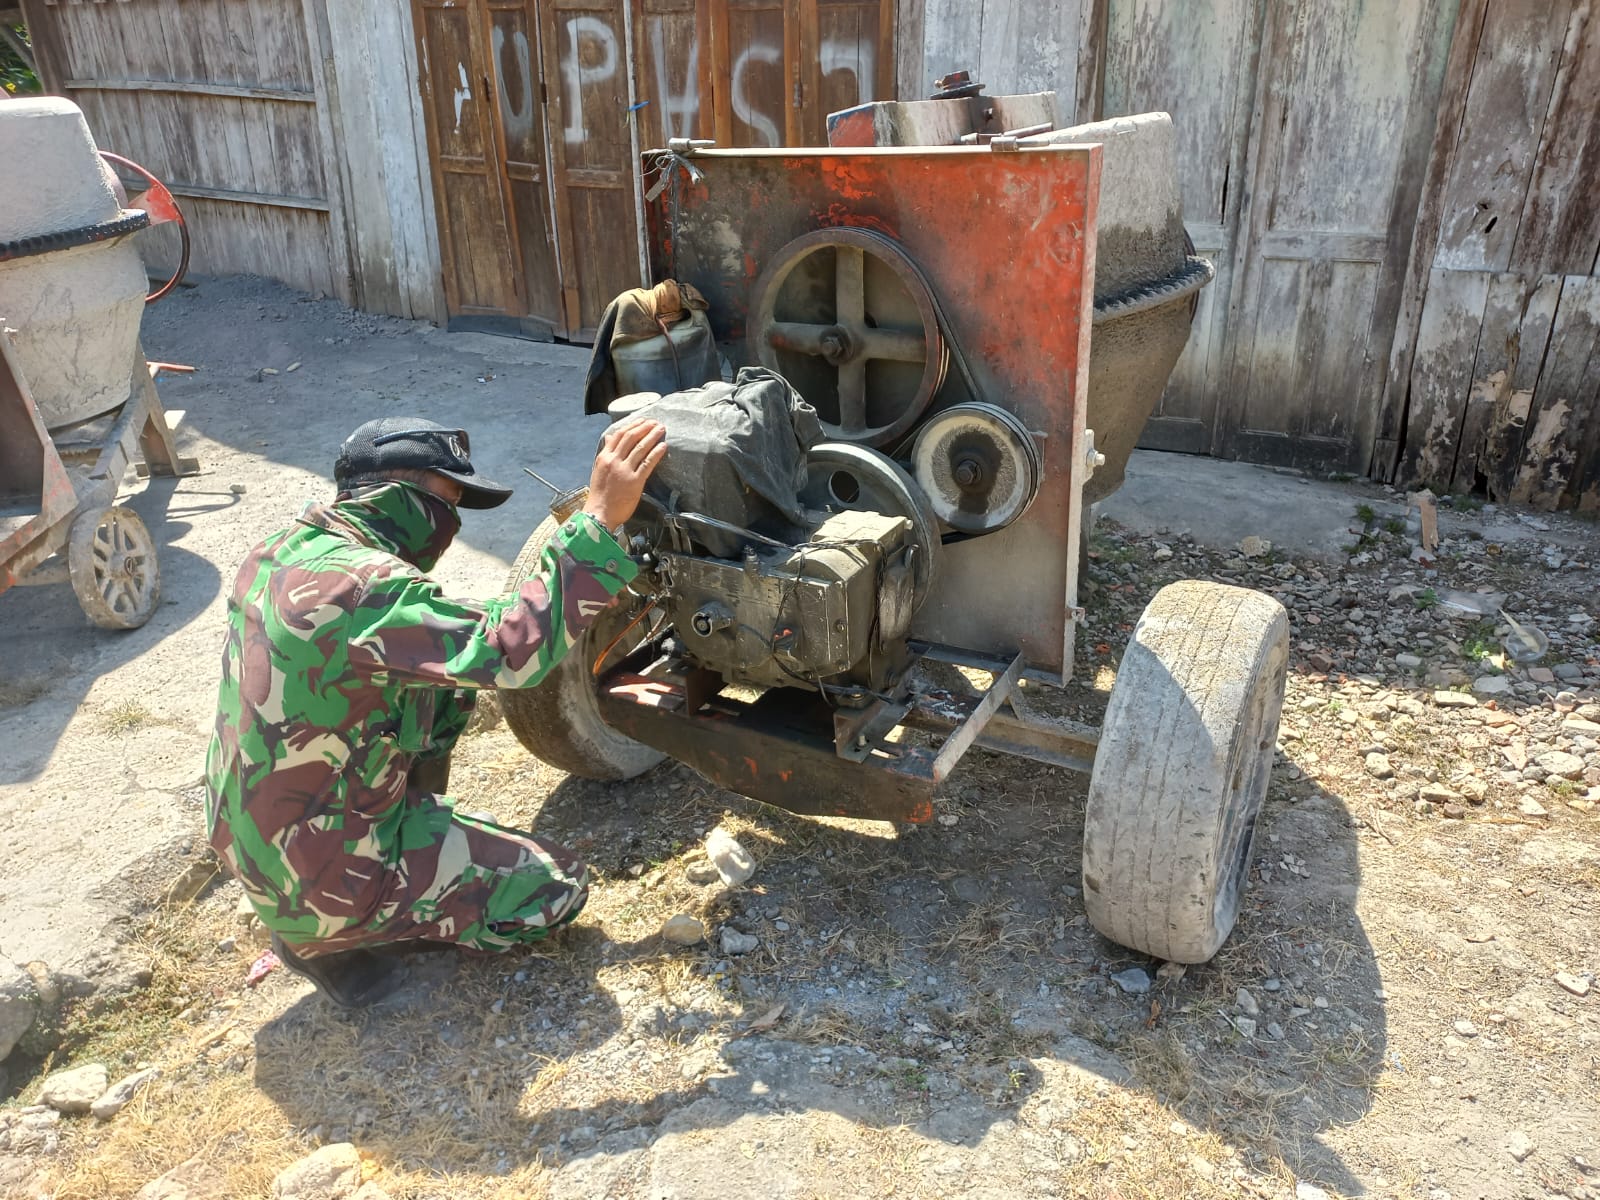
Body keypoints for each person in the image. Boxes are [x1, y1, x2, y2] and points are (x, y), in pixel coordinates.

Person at [204, 416, 667, 1008]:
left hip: (252, 840)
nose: (453, 525)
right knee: (558, 887)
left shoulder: (281, 552)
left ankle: (350, 890)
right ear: (401, 495)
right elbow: (508, 649)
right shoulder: (365, 586)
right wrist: (600, 519)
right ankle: (337, 933)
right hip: (318, 875)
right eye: (448, 501)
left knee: (444, 686)